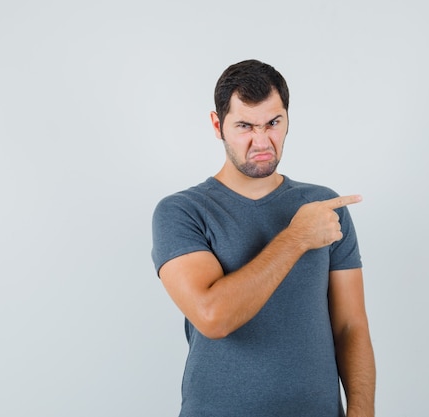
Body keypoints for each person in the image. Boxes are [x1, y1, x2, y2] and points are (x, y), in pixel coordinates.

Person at [151, 59, 375, 417]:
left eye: (273, 122)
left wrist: (362, 413)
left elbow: (351, 326)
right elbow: (213, 317)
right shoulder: (182, 211)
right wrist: (296, 238)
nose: (261, 140)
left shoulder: (324, 207)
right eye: (244, 126)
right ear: (217, 125)